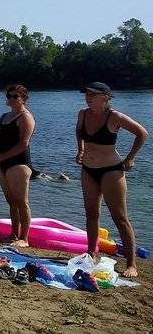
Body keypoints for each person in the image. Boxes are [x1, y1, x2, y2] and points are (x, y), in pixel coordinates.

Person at [76, 82, 148, 278]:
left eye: (93, 94)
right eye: (87, 94)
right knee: (91, 214)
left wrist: (130, 158)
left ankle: (131, 264)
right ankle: (92, 253)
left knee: (120, 218)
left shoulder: (114, 116)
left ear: (106, 97)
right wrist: (80, 150)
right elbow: (78, 131)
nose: (88, 97)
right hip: (88, 170)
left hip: (111, 171)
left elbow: (142, 133)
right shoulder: (83, 114)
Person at [0, 84, 36, 248]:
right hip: (2, 163)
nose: (10, 99)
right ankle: (13, 234)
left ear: (23, 99)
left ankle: (25, 238)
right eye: (9, 95)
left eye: (15, 96)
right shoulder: (4, 116)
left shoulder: (25, 117)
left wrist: (4, 156)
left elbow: (24, 143)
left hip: (19, 163)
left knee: (22, 202)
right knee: (11, 201)